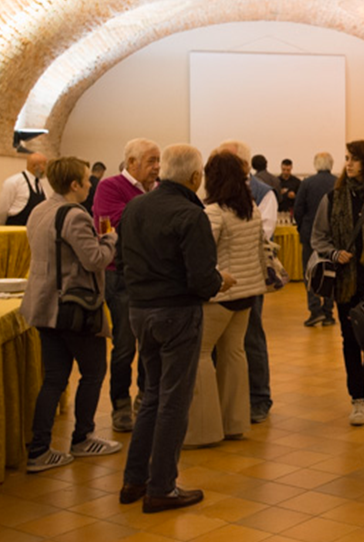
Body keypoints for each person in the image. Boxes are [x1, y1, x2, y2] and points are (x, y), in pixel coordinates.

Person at [118, 144, 234, 513]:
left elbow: (120, 261)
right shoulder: (190, 214)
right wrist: (220, 281)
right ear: (195, 177)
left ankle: (134, 479)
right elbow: (201, 280)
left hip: (140, 311)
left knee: (151, 396)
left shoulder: (135, 207)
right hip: (176, 313)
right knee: (173, 401)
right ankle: (162, 487)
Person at [20, 157, 122, 472]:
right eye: (86, 180)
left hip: (44, 306)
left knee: (54, 379)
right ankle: (82, 438)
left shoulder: (39, 210)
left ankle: (39, 450)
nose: (90, 185)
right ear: (74, 184)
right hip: (73, 308)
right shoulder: (74, 214)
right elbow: (94, 260)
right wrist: (110, 238)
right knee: (93, 372)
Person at [311, 140, 364, 425]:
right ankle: (357, 398)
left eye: (354, 159)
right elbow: (318, 237)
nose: (348, 164)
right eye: (347, 158)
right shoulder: (333, 198)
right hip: (345, 281)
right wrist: (334, 253)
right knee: (349, 339)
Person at [184, 151, 267, 447]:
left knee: (201, 355)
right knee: (234, 354)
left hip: (221, 294)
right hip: (247, 293)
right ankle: (234, 423)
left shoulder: (214, 212)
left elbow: (203, 254)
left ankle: (204, 430)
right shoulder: (251, 209)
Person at [92, 138, 160, 432]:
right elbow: (114, 226)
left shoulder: (158, 189)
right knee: (123, 345)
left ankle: (145, 398)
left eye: (158, 161)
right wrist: (155, 217)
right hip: (119, 275)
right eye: (151, 161)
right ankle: (120, 404)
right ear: (132, 163)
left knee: (150, 342)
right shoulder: (109, 187)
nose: (157, 167)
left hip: (152, 274)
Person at [216, 141, 278, 424]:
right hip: (220, 279)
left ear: (242, 164)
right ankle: (226, 401)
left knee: (251, 338)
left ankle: (259, 398)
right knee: (222, 343)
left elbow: (263, 233)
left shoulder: (263, 193)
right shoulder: (214, 192)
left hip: (249, 276)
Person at [293, 152, 338, 327]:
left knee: (310, 272)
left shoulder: (307, 183)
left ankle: (315, 310)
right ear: (331, 164)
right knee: (330, 272)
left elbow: (298, 209)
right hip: (333, 236)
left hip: (310, 234)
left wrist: (301, 227)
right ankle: (328, 312)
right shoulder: (338, 182)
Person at [0, 152, 48, 225]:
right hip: (14, 229)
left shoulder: (40, 184)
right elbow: (2, 210)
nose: (47, 168)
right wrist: (4, 228)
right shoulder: (13, 182)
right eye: (44, 165)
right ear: (34, 166)